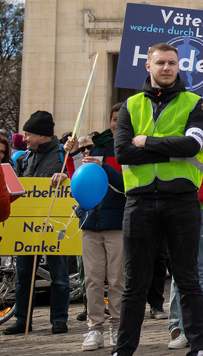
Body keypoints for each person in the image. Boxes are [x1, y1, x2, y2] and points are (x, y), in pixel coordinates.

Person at [112, 42, 203, 356]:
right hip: (139, 201)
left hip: (181, 200)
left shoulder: (194, 103)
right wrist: (170, 149)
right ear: (148, 66)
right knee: (134, 284)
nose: (166, 68)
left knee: (187, 278)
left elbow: (193, 145)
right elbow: (123, 152)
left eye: (172, 63)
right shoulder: (129, 105)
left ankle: (198, 347)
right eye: (160, 63)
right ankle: (123, 348)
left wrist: (148, 143)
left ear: (178, 66)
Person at [60, 104, 126, 351]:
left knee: (117, 280)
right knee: (93, 280)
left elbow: (126, 187)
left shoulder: (127, 149)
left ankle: (118, 327)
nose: (117, 124)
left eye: (122, 119)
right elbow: (79, 177)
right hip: (89, 223)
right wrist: (73, 153)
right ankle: (94, 328)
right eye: (114, 119)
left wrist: (105, 169)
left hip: (116, 223)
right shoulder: (96, 146)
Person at [3, 110, 71, 337]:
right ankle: (23, 320)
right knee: (24, 276)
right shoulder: (24, 158)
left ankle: (59, 320)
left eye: (29, 133)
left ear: (43, 136)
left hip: (54, 225)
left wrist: (65, 177)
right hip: (28, 226)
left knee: (59, 276)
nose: (25, 138)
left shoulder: (63, 156)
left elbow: (77, 178)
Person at [167, 95, 203, 349]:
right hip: (177, 199)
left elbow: (201, 141)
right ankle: (182, 327)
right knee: (181, 268)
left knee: (201, 268)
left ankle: (200, 329)